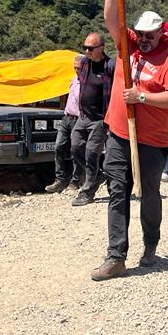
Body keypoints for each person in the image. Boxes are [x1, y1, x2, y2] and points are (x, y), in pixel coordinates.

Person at [92, 0, 168, 281]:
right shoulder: (127, 45)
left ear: (161, 33)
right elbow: (110, 18)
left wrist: (142, 97)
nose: (145, 40)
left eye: (150, 35)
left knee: (148, 194)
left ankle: (150, 244)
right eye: (141, 34)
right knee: (117, 190)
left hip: (151, 140)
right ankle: (116, 256)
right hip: (119, 132)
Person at [70, 33, 116, 206]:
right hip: (84, 116)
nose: (86, 51)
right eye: (85, 48)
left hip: (100, 118)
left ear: (101, 48)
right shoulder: (83, 63)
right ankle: (97, 176)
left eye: (90, 48)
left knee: (91, 152)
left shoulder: (110, 66)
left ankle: (88, 190)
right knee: (75, 148)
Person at [46, 53, 86, 193]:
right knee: (59, 147)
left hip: (79, 119)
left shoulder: (89, 82)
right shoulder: (74, 79)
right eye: (75, 67)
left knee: (76, 150)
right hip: (66, 118)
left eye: (79, 68)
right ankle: (60, 180)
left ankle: (76, 181)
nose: (76, 70)